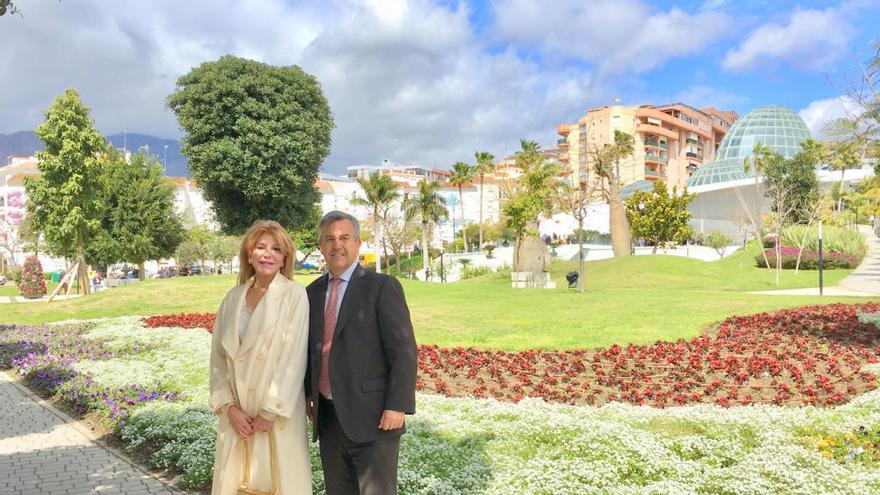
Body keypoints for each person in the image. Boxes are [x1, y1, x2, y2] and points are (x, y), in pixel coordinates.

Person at [305, 211, 418, 495]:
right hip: (329, 419)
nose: (337, 245)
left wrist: (397, 405)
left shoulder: (382, 287)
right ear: (320, 246)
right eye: (329, 239)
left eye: (344, 237)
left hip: (374, 418)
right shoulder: (311, 293)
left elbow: (403, 350)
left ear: (358, 243)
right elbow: (310, 349)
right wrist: (308, 393)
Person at [208, 220, 311, 494]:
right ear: (249, 253)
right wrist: (229, 407)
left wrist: (270, 409)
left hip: (274, 415)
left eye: (276, 249)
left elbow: (294, 356)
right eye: (261, 247)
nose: (268, 254)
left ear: (285, 258)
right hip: (237, 416)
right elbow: (218, 359)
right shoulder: (232, 298)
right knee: (234, 482)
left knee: (277, 483)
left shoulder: (294, 295)